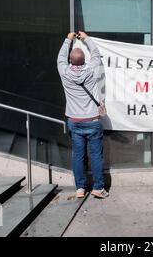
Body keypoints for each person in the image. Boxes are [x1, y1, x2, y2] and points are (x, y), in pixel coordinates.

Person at [57, 31, 108, 199]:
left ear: (70, 61)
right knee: (95, 155)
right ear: (84, 61)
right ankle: (98, 188)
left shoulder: (64, 71)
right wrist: (85, 38)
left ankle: (80, 188)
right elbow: (96, 53)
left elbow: (61, 57)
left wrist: (68, 39)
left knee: (78, 155)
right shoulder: (92, 70)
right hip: (92, 121)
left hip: (74, 121)